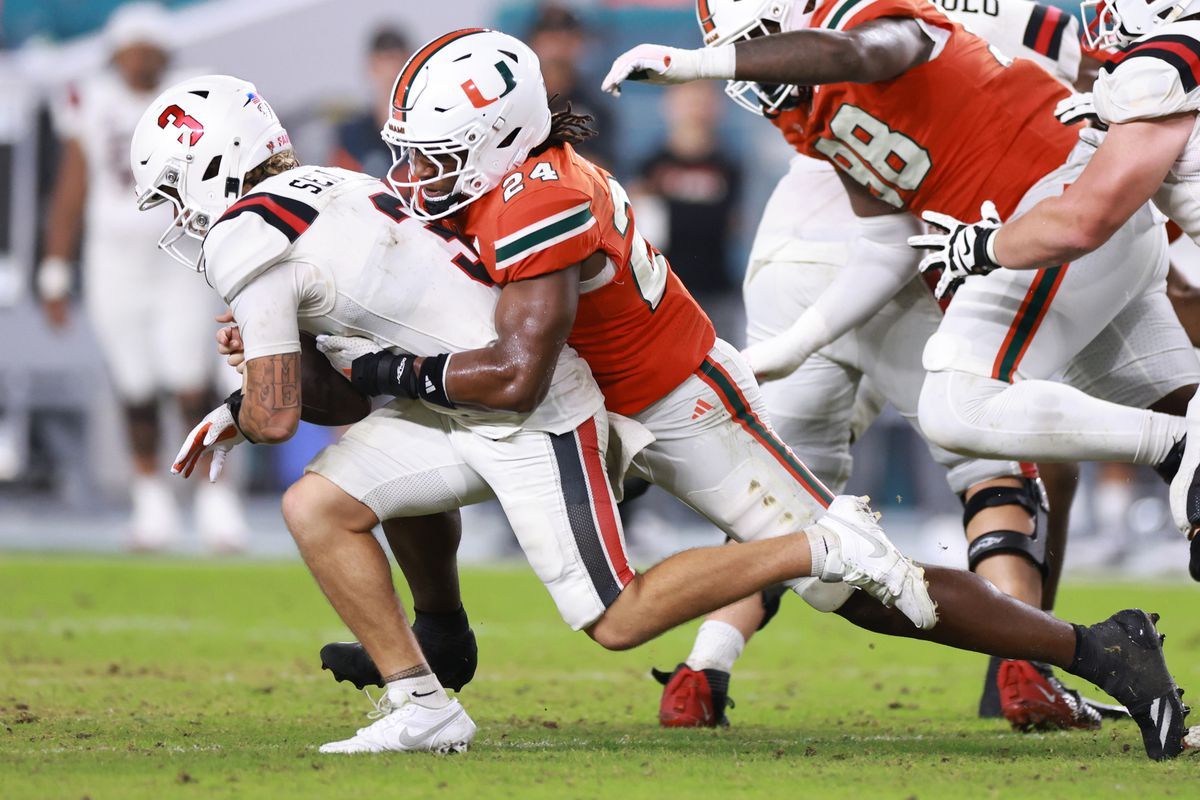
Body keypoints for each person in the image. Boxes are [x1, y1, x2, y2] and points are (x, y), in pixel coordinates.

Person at [318, 28, 1193, 760]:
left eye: (435, 156)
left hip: (673, 406)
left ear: (499, 138)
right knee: (336, 498)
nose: (418, 175)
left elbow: (515, 375)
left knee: (861, 594)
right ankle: (433, 648)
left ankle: (1093, 646)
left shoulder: (536, 199)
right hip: (590, 404)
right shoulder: (509, 185)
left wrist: (371, 368)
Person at [132, 73, 936, 755]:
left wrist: (247, 401)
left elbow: (281, 419)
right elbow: (343, 392)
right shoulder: (337, 183)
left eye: (173, 188)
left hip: (527, 408)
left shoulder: (244, 233)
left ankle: (825, 541)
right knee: (319, 504)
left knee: (617, 616)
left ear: (209, 163)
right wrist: (276, 366)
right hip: (452, 399)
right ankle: (423, 700)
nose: (178, 213)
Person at [648, 0, 1105, 734]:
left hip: (789, 250)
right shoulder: (952, 20)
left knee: (780, 492)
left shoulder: (828, 35)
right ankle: (1026, 666)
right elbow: (1095, 75)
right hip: (915, 239)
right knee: (989, 465)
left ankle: (703, 670)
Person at [906, 0, 1200, 578]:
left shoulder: (1165, 65)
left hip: (1087, 233)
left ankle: (1180, 442)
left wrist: (984, 246)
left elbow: (1082, 220)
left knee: (958, 404)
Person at [36, 2, 246, 552]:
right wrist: (55, 268)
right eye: (131, 50)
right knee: (133, 385)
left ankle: (212, 497)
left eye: (148, 49)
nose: (139, 60)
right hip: (113, 261)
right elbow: (72, 186)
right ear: (116, 54)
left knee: (189, 380)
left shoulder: (189, 97)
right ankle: (150, 497)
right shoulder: (92, 99)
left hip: (179, 255)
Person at [635, 82, 743, 340]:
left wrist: (673, 211)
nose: (695, 108)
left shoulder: (730, 165)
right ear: (669, 106)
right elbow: (645, 234)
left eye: (702, 99)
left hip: (714, 288)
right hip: (662, 291)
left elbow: (730, 226)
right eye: (687, 99)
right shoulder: (650, 164)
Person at [328, 27, 411, 177]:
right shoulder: (351, 137)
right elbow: (340, 191)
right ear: (371, 66)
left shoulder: (427, 129)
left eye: (398, 60)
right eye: (385, 60)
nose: (392, 70)